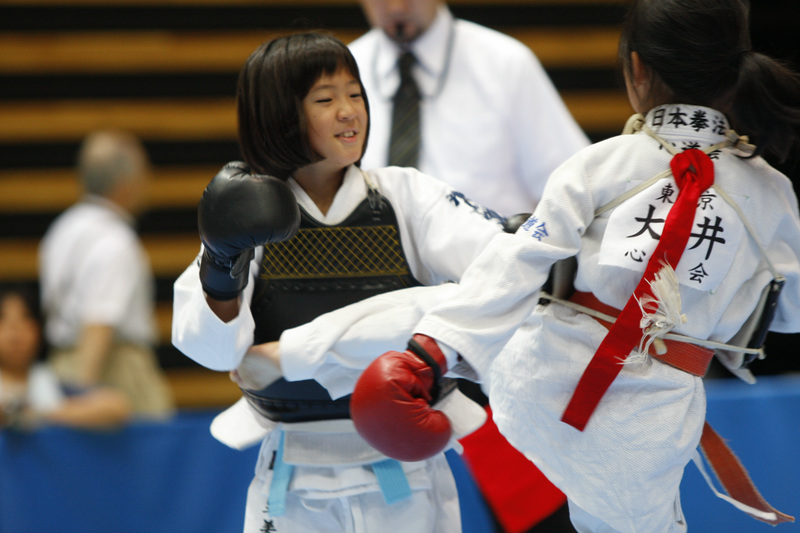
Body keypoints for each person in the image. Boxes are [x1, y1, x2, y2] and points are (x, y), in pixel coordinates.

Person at [350, 0, 800, 531]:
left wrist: (428, 353)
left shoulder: (600, 162)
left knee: (439, 292)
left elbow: (518, 262)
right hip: (650, 423)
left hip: (539, 382)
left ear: (636, 70)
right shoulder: (772, 193)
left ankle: (336, 356)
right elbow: (786, 316)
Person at [171, 32, 506, 533]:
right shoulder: (251, 219)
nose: (350, 111)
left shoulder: (405, 196)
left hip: (405, 469)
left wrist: (291, 353)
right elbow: (219, 355)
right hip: (293, 477)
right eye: (326, 99)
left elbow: (500, 278)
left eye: (355, 94)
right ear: (281, 115)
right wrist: (221, 268)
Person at [349, 0, 590, 217]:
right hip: (371, 258)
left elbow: (576, 190)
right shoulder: (344, 68)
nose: (396, 7)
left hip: (496, 259)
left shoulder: (506, 64)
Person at [38, 130, 174, 420]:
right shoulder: (115, 240)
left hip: (61, 364)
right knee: (145, 461)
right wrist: (83, 396)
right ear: (125, 184)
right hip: (112, 370)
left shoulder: (61, 230)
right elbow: (99, 321)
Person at [0, 285, 131, 431]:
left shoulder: (52, 383)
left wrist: (40, 414)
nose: (14, 331)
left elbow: (116, 406)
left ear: (39, 330)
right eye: (3, 320)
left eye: (25, 318)